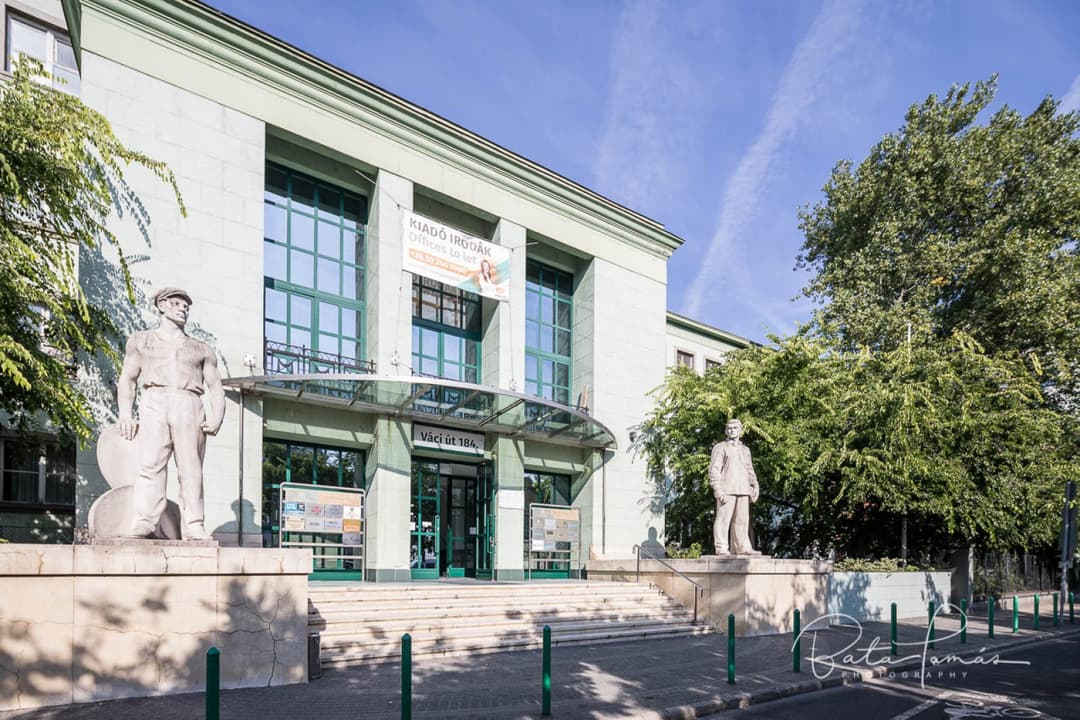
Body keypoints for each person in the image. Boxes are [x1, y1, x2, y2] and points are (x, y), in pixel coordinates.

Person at [117, 287, 225, 540]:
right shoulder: (141, 340)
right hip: (155, 399)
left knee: (191, 469)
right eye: (176, 303)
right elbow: (128, 378)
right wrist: (125, 414)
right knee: (150, 464)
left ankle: (194, 524)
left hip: (189, 402)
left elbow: (215, 386)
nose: (183, 309)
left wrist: (217, 417)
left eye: (186, 306)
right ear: (162, 305)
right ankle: (145, 521)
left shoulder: (201, 348)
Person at [709, 418, 760, 555]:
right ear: (726, 431)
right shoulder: (720, 447)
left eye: (735, 428)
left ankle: (742, 547)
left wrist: (755, 485)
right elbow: (714, 470)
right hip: (726, 489)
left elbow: (749, 469)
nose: (732, 430)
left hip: (743, 489)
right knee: (723, 520)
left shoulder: (745, 450)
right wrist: (717, 489)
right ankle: (721, 547)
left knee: (742, 521)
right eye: (729, 428)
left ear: (740, 430)